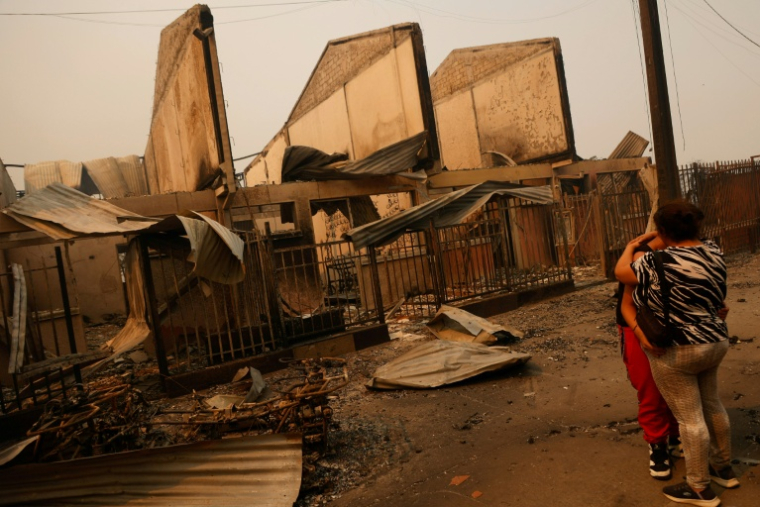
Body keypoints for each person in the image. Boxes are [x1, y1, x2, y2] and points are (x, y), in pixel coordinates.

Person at [615, 200, 737, 507]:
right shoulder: (713, 251)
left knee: (690, 419)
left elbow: (620, 273)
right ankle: (723, 467)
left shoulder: (658, 262)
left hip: (680, 349)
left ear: (663, 231)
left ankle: (698, 488)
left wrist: (633, 245)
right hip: (715, 342)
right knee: (713, 406)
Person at [615, 234, 681, 481]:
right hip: (638, 326)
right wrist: (641, 335)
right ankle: (658, 444)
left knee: (676, 386)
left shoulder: (684, 250)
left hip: (669, 326)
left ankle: (674, 436)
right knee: (651, 389)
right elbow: (626, 300)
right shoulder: (641, 256)